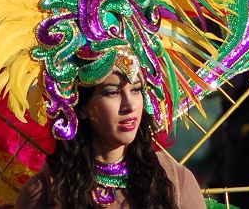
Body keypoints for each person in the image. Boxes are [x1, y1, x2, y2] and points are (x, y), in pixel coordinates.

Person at [15, 70, 206, 208]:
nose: (130, 105)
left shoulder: (175, 180)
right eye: (113, 92)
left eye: (136, 90)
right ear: (81, 108)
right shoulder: (44, 191)